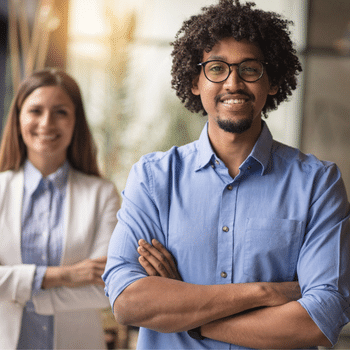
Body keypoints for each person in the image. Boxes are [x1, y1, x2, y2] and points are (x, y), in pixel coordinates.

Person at [103, 0, 350, 349]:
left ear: (274, 81)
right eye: (216, 69)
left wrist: (189, 316)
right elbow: (128, 301)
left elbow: (317, 321)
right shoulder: (153, 178)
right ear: (194, 82)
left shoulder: (317, 184)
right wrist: (264, 293)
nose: (233, 83)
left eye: (250, 69)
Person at [0, 68, 120, 349]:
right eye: (35, 110)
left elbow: (105, 288)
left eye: (61, 112)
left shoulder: (102, 194)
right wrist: (63, 276)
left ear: (76, 121)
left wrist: (16, 289)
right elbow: (84, 281)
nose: (46, 122)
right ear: (18, 119)